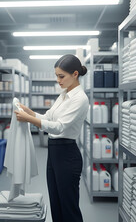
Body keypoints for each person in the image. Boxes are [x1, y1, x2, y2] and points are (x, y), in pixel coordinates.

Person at [14, 54, 89, 222]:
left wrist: (29, 120)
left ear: (75, 74)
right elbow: (48, 117)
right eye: (56, 75)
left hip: (67, 154)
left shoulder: (80, 99)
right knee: (56, 204)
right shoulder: (63, 95)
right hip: (54, 153)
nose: (58, 80)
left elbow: (59, 127)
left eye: (61, 76)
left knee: (69, 208)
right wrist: (30, 112)